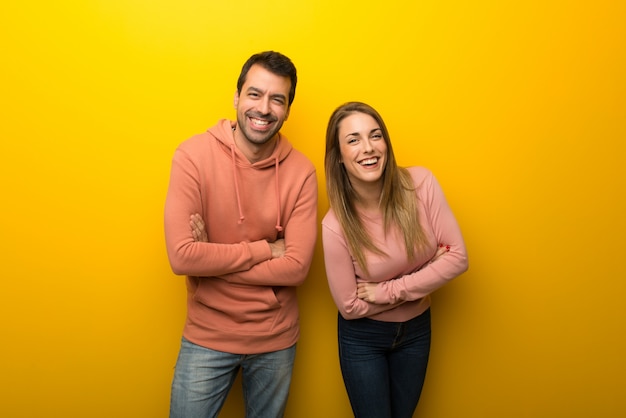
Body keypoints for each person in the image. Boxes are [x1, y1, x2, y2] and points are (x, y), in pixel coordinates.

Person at [164, 51, 318, 418]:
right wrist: (265, 250)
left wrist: (209, 259)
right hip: (207, 334)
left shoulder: (301, 172)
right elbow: (181, 257)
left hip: (275, 340)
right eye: (255, 94)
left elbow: (297, 268)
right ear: (236, 98)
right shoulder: (192, 156)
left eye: (277, 99)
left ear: (287, 110)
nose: (264, 108)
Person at [322, 101, 468, 418]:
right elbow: (350, 307)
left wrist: (387, 291)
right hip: (364, 340)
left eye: (375, 135)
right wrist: (429, 272)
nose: (368, 148)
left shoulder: (421, 184)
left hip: (417, 332)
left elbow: (458, 258)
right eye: (353, 139)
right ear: (339, 157)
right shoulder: (334, 226)